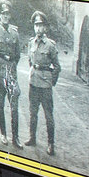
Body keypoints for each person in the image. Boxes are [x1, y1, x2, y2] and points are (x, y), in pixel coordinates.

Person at [0, 0, 23, 148]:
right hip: (0, 72)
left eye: (8, 14)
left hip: (11, 74)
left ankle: (16, 138)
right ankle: (3, 134)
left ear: (10, 16)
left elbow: (18, 55)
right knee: (0, 104)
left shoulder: (15, 34)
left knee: (14, 106)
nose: (6, 17)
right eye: (3, 14)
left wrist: (12, 68)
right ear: (0, 15)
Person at [25, 10, 61, 156]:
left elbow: (57, 67)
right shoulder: (30, 43)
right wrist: (34, 73)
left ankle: (51, 144)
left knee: (48, 115)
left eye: (41, 25)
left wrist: (51, 81)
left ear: (45, 28)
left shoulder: (50, 45)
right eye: (36, 25)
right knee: (33, 113)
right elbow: (30, 61)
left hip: (45, 86)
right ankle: (32, 138)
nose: (38, 28)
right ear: (34, 27)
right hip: (33, 84)